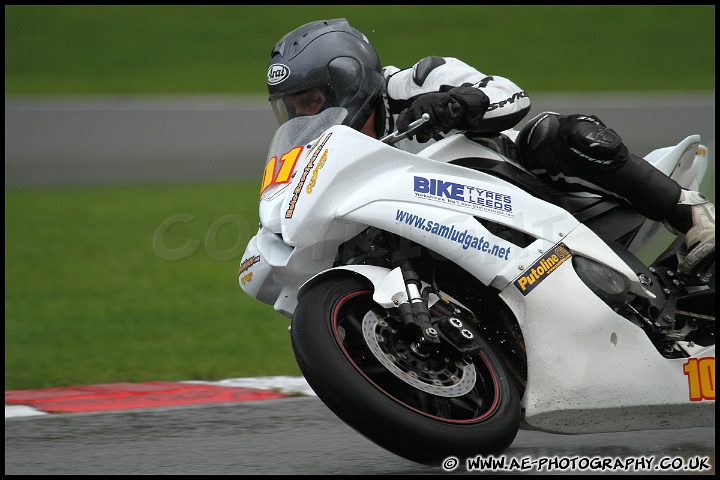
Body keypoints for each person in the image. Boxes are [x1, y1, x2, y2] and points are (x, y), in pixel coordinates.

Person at [265, 18, 715, 281]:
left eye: (313, 102)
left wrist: (457, 103)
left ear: (348, 80)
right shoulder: (328, 150)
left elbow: (510, 95)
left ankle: (692, 218)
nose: (305, 117)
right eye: (295, 109)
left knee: (556, 132)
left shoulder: (415, 80)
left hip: (520, 189)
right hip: (444, 228)